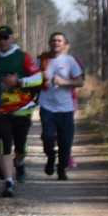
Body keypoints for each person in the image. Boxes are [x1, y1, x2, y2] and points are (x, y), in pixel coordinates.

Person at [0, 25, 43, 197]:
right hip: (0, 108)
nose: (2, 41)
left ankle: (20, 163)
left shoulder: (22, 57)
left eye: (5, 37)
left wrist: (20, 82)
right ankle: (9, 182)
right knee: (4, 145)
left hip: (22, 108)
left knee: (20, 146)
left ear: (12, 38)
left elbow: (38, 78)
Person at [37, 32, 85, 180]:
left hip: (66, 108)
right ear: (49, 43)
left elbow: (80, 82)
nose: (56, 43)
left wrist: (64, 83)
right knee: (47, 137)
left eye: (59, 40)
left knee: (65, 142)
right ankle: (51, 156)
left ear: (64, 44)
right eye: (53, 40)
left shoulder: (70, 61)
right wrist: (40, 77)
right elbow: (31, 80)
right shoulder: (41, 60)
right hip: (47, 106)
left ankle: (62, 169)